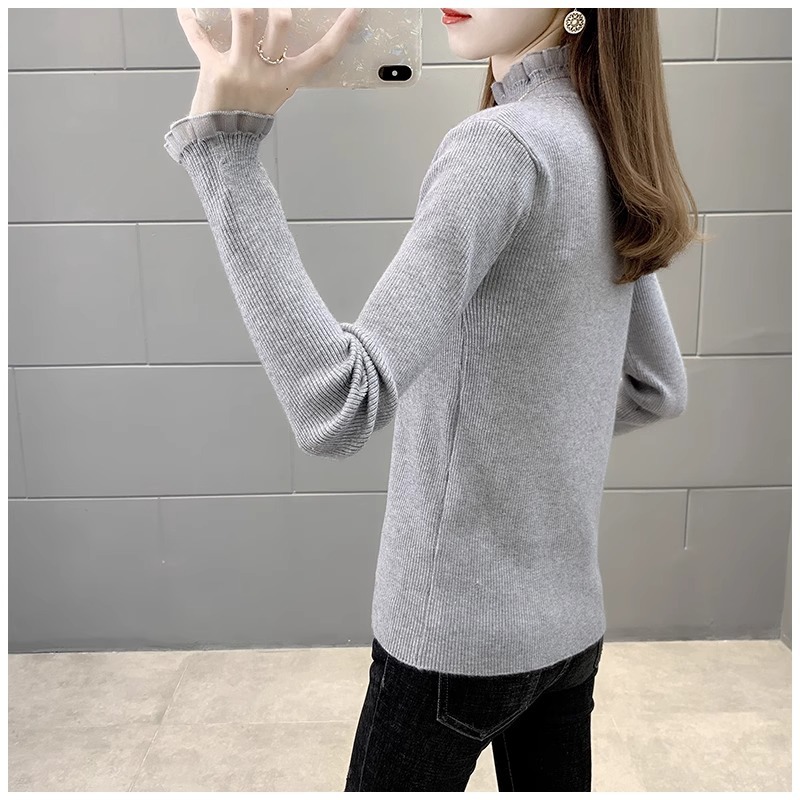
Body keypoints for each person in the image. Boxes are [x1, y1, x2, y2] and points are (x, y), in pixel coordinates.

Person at [165, 7, 700, 793]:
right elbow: (657, 387)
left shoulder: (499, 148)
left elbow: (335, 403)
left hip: (451, 640)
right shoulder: (603, 140)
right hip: (568, 631)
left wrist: (226, 148)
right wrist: (502, 428)